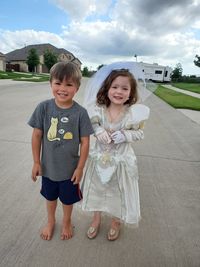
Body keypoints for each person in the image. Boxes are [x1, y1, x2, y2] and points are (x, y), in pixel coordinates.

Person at [80, 64, 150, 241]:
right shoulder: (97, 109)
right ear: (107, 88)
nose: (119, 92)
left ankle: (115, 221)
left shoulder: (134, 113)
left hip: (121, 161)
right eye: (115, 87)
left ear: (131, 92)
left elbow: (140, 132)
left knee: (118, 192)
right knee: (96, 190)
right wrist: (97, 130)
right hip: (98, 160)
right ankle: (96, 219)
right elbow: (91, 124)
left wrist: (126, 135)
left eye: (124, 88)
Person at [28, 62, 94, 241]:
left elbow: (85, 142)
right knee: (50, 198)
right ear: (51, 84)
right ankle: (51, 221)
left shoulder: (80, 113)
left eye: (69, 84)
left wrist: (80, 168)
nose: (63, 89)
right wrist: (36, 162)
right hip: (49, 169)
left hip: (70, 171)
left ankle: (66, 221)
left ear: (77, 88)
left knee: (67, 200)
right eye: (58, 83)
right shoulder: (44, 108)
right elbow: (37, 136)